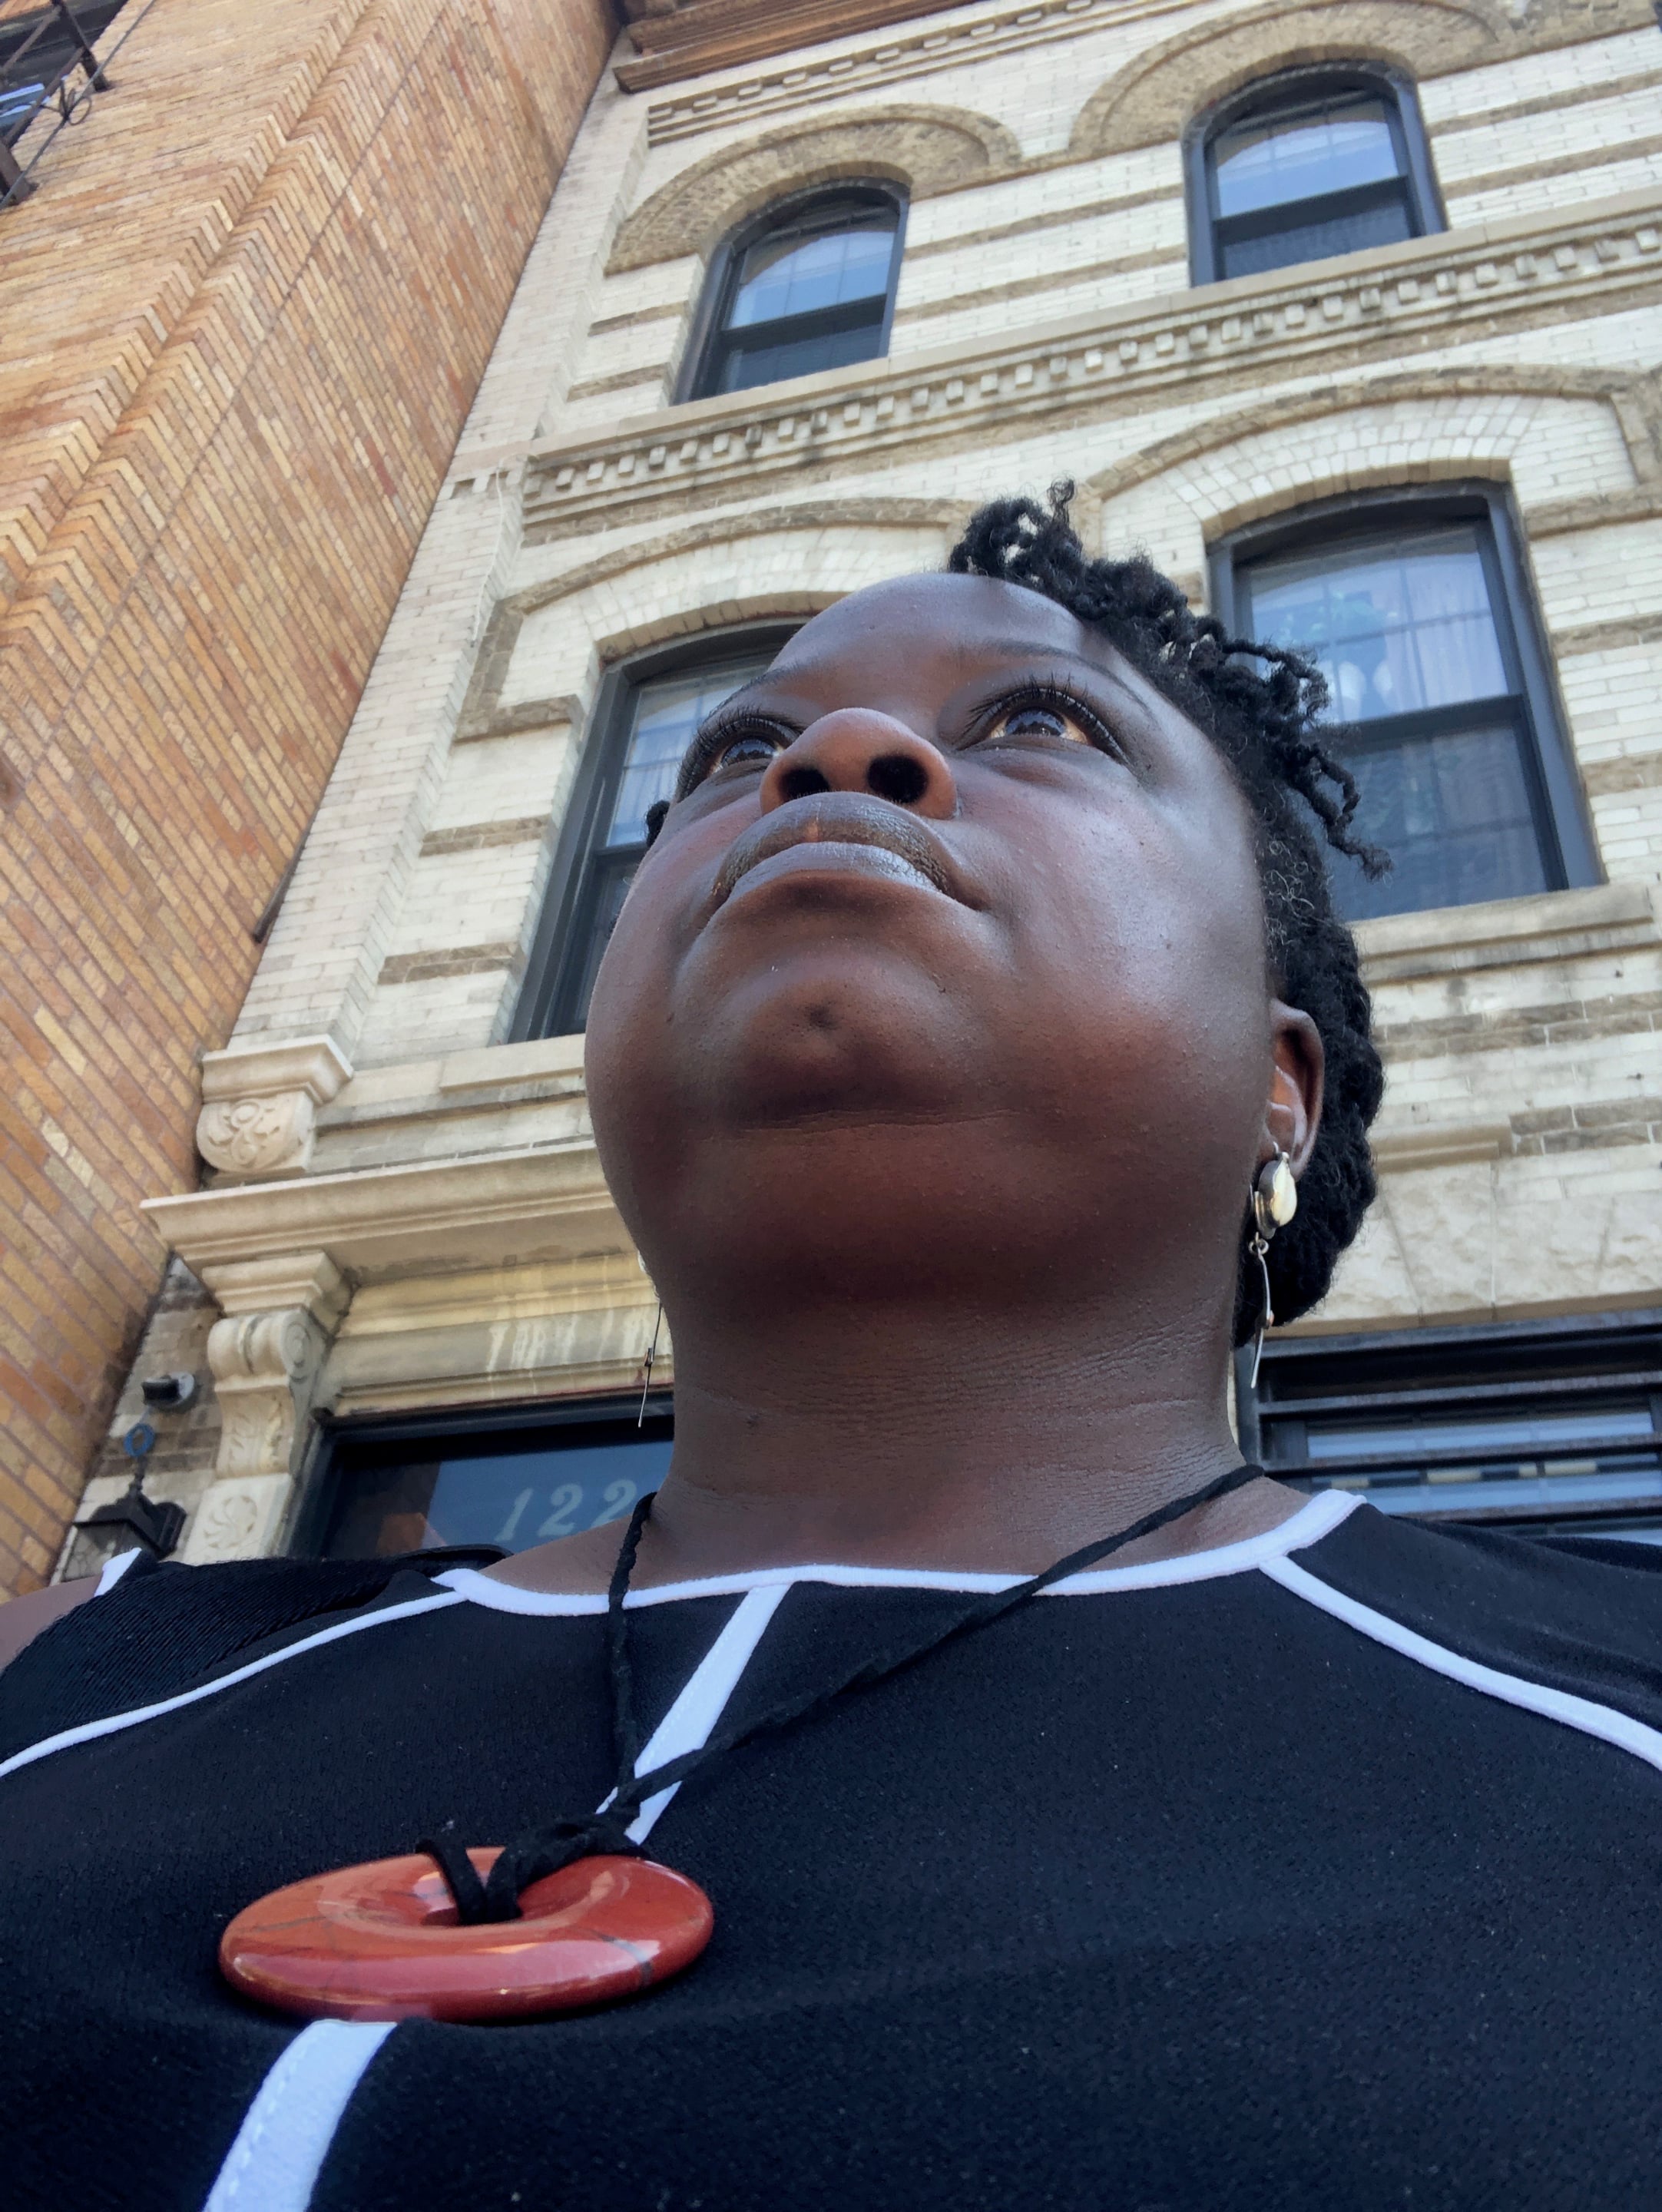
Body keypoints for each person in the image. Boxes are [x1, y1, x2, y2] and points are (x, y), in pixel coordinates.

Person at [2, 486, 1658, 2212]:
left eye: (1044, 724)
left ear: (1278, 1086)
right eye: (736, 752)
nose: (832, 757)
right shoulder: (59, 1674)